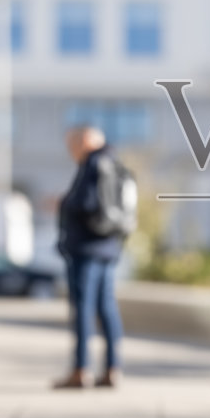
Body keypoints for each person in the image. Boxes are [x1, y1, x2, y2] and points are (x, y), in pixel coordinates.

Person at [54, 125, 125, 389]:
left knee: (83, 309)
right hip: (108, 246)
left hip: (86, 248)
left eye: (72, 145)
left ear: (84, 141)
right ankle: (112, 368)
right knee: (107, 308)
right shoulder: (115, 163)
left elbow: (84, 203)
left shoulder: (93, 163)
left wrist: (62, 203)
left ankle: (80, 369)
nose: (71, 152)